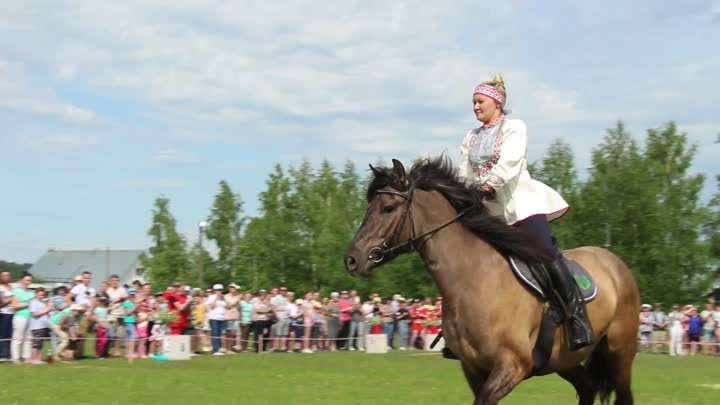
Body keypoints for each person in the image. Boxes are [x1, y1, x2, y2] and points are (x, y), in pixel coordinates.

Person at [457, 75, 592, 351]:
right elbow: (464, 172)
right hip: (489, 213)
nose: (475, 107)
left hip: (522, 206)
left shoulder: (514, 128)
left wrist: (486, 186)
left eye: (480, 101)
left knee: (545, 252)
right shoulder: (471, 137)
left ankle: (578, 318)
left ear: (497, 103)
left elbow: (510, 162)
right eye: (473, 102)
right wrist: (462, 195)